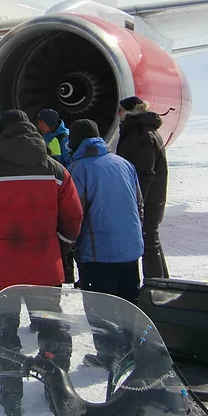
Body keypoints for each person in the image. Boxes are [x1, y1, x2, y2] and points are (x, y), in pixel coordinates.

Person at [0, 115, 83, 416]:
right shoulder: (56, 171)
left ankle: (11, 395)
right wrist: (59, 246)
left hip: (2, 272)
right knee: (53, 329)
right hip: (45, 267)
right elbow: (73, 217)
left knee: (3, 333)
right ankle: (57, 390)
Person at [67, 118, 144, 370]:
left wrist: (69, 243)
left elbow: (75, 212)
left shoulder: (79, 168)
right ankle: (133, 351)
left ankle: (110, 355)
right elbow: (139, 204)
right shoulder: (123, 163)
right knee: (129, 301)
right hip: (130, 247)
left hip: (99, 250)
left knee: (102, 308)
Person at [116, 96, 169, 280]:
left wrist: (137, 202)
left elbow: (145, 172)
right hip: (151, 196)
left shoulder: (141, 135)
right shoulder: (144, 131)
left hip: (147, 198)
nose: (118, 114)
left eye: (120, 110)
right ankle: (161, 283)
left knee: (148, 240)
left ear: (129, 111)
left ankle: (156, 285)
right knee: (150, 239)